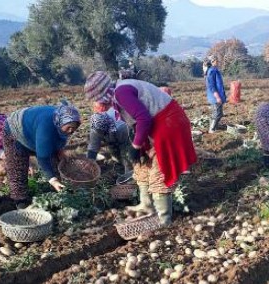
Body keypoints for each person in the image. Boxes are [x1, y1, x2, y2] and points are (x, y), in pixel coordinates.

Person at [84, 71, 197, 227]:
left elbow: (143, 118)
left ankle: (164, 220)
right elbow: (139, 121)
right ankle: (146, 205)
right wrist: (141, 146)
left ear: (103, 93)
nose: (99, 103)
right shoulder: (117, 94)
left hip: (169, 123)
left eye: (98, 98)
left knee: (159, 170)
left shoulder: (121, 92)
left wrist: (136, 146)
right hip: (157, 124)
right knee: (141, 164)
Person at [3, 101, 81, 208]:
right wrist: (52, 180)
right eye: (69, 127)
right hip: (14, 129)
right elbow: (43, 158)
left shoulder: (60, 122)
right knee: (18, 166)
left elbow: (57, 141)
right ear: (60, 122)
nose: (71, 130)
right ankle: (20, 200)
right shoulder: (46, 127)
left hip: (34, 128)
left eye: (74, 127)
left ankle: (59, 188)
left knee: (55, 158)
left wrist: (60, 150)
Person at [86, 109, 133, 175]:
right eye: (99, 132)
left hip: (126, 134)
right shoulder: (96, 126)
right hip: (112, 135)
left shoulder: (121, 128)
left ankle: (129, 176)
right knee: (114, 151)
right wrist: (90, 162)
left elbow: (126, 150)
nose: (99, 134)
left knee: (127, 157)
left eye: (102, 132)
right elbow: (93, 145)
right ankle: (120, 165)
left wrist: (127, 171)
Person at [205, 55, 226, 133]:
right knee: (218, 113)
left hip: (217, 95)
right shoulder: (211, 71)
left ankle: (214, 127)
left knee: (217, 113)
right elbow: (212, 86)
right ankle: (212, 129)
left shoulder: (215, 70)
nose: (218, 61)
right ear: (212, 62)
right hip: (214, 96)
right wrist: (217, 97)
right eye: (216, 60)